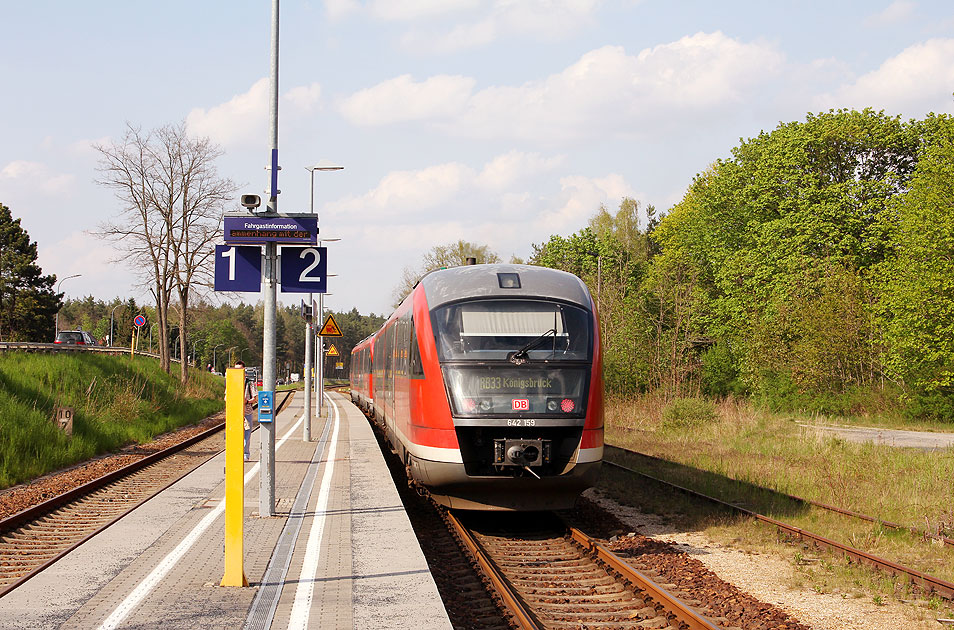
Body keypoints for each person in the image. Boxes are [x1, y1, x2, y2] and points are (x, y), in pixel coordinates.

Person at [233, 360, 256, 460]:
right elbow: (226, 397)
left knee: (246, 434)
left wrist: (247, 401)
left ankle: (245, 454)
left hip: (247, 412)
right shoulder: (232, 382)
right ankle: (236, 453)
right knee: (235, 435)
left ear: (244, 371)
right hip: (235, 412)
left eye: (240, 369)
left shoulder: (249, 383)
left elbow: (255, 398)